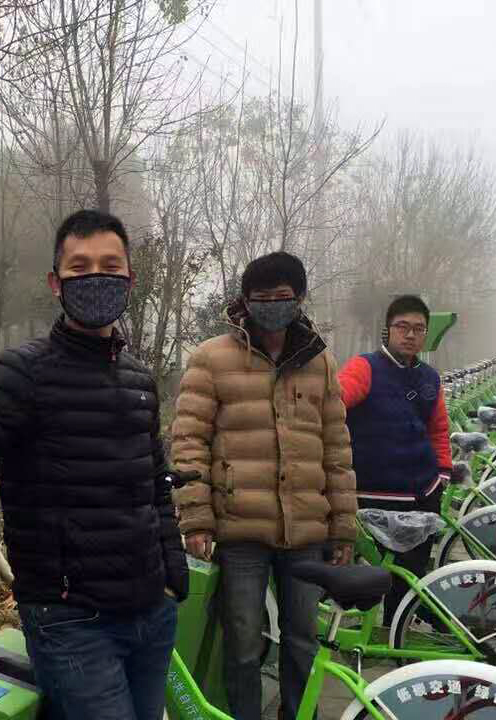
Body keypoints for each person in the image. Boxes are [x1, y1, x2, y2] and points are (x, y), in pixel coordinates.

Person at [0, 209, 188, 720]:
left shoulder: (139, 380)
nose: (96, 278)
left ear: (130, 280)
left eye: (110, 266)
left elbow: (154, 485)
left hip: (152, 613)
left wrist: (172, 575)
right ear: (55, 283)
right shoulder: (19, 372)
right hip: (72, 621)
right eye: (79, 267)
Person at [171, 251, 357, 720]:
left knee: (302, 639)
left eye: (283, 296)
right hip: (240, 531)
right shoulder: (211, 358)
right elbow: (189, 442)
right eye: (263, 297)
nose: (273, 305)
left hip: (306, 530)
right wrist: (196, 518)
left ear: (300, 298)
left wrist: (343, 526)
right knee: (242, 641)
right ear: (245, 301)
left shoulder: (319, 362)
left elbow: (336, 449)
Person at [337, 294, 453, 626]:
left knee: (409, 580)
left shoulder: (430, 377)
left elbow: (438, 429)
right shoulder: (364, 367)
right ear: (387, 330)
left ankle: (396, 634)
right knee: (372, 577)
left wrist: (442, 474)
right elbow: (336, 399)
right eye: (402, 326)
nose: (410, 334)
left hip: (422, 494)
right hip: (373, 496)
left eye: (419, 328)